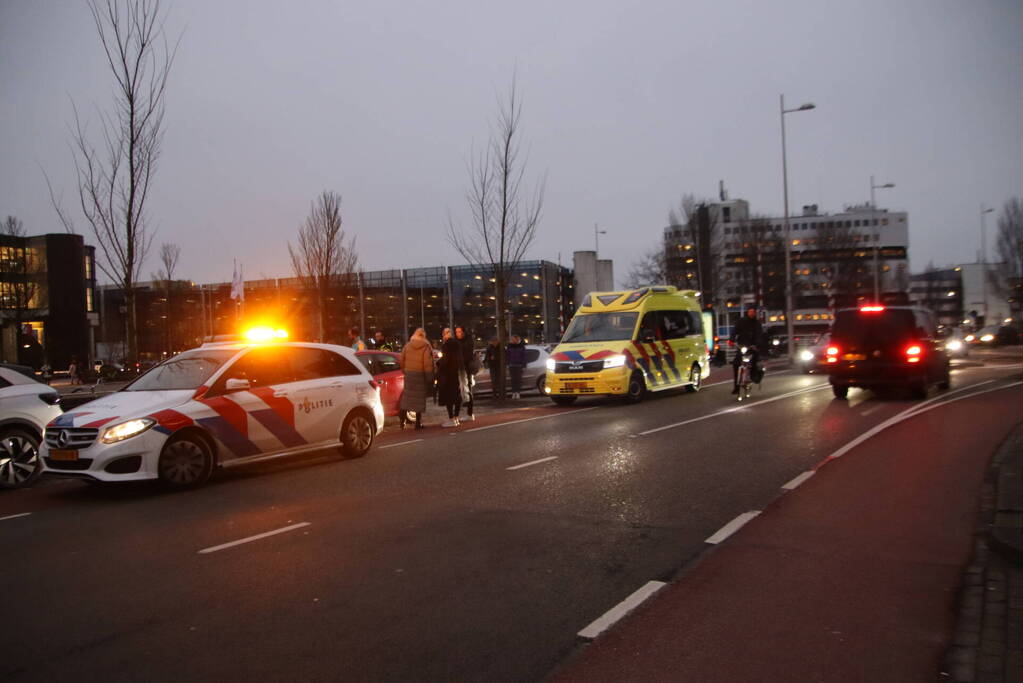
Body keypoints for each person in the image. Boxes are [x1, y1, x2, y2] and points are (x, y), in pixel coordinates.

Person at [399, 328, 433, 429]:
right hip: (420, 375)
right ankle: (418, 422)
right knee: (419, 399)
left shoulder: (407, 345)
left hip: (409, 375)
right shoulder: (426, 347)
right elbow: (428, 364)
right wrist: (429, 377)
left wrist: (405, 371)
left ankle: (402, 420)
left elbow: (401, 360)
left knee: (407, 399)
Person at [437, 327, 467, 427]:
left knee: (448, 396)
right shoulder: (457, 344)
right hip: (458, 372)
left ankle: (451, 418)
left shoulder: (446, 345)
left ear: (444, 335)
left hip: (448, 373)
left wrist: (439, 364)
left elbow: (445, 360)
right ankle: (456, 417)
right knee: (457, 395)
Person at [730, 307, 764, 394]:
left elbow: (759, 335)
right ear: (747, 312)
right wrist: (731, 340)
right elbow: (734, 331)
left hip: (753, 347)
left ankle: (754, 377)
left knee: (754, 363)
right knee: (736, 364)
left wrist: (757, 345)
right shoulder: (741, 321)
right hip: (742, 347)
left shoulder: (757, 324)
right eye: (750, 311)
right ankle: (736, 387)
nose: (752, 313)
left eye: (753, 311)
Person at [454, 325, 477, 421]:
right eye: (456, 332)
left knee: (467, 389)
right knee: (460, 390)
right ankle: (461, 414)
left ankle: (469, 413)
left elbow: (467, 355)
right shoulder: (457, 341)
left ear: (463, 332)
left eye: (459, 331)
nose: (457, 333)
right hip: (459, 368)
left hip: (466, 368)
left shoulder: (468, 341)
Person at [506, 334, 527, 399]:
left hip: (519, 365)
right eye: (512, 339)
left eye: (514, 339)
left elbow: (524, 356)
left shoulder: (521, 346)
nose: (512, 340)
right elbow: (507, 356)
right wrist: (507, 364)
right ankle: (514, 392)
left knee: (518, 379)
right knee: (513, 379)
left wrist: (524, 365)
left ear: (517, 339)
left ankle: (518, 392)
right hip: (511, 365)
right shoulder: (509, 346)